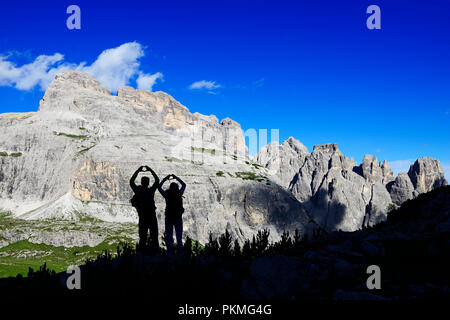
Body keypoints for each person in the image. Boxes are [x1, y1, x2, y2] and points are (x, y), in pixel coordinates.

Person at [130, 165, 160, 252]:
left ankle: (141, 254)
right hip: (151, 216)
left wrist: (138, 170)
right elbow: (157, 180)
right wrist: (150, 170)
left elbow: (131, 181)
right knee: (154, 236)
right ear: (148, 183)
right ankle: (155, 253)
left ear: (141, 182)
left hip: (142, 217)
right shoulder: (151, 191)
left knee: (142, 237)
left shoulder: (137, 190)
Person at [158, 174, 186, 255]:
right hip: (178, 217)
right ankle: (180, 254)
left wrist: (165, 179)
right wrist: (176, 177)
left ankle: (170, 254)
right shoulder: (179, 193)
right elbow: (184, 184)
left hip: (169, 217)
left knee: (169, 237)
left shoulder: (167, 195)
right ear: (177, 187)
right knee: (179, 238)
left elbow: (159, 187)